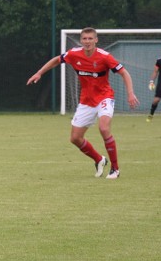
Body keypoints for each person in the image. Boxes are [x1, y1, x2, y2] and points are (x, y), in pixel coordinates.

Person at [27, 26, 139, 179]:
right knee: (75, 138)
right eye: (85, 39)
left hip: (104, 97)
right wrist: (39, 73)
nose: (87, 42)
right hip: (86, 100)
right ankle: (99, 160)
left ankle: (115, 169)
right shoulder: (74, 54)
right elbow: (56, 60)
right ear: (81, 40)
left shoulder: (105, 57)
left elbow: (124, 73)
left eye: (90, 39)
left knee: (104, 128)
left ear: (96, 40)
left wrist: (130, 93)